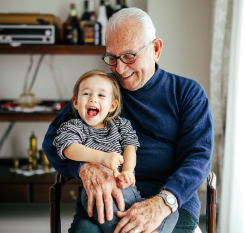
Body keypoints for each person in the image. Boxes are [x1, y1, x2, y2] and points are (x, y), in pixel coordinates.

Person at [43, 7, 214, 233]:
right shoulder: (101, 90)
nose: (120, 69)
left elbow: (198, 157)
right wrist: (84, 166)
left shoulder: (187, 92)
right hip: (107, 198)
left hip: (169, 201)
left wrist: (163, 202)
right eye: (112, 58)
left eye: (129, 56)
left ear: (156, 49)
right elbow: (53, 140)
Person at [52, 70, 178, 233]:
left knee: (171, 213)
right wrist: (102, 157)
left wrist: (127, 170)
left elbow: (130, 148)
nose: (93, 99)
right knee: (107, 208)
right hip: (97, 191)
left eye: (101, 95)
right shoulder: (74, 127)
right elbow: (69, 148)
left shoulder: (121, 125)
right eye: (86, 93)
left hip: (128, 189)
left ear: (112, 105)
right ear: (75, 102)